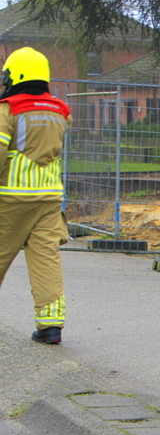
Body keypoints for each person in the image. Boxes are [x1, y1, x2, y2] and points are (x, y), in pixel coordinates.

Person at [0, 48, 72, 344]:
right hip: (48, 198)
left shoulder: (8, 109)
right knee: (46, 260)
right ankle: (50, 325)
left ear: (17, 75)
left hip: (11, 198)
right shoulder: (60, 111)